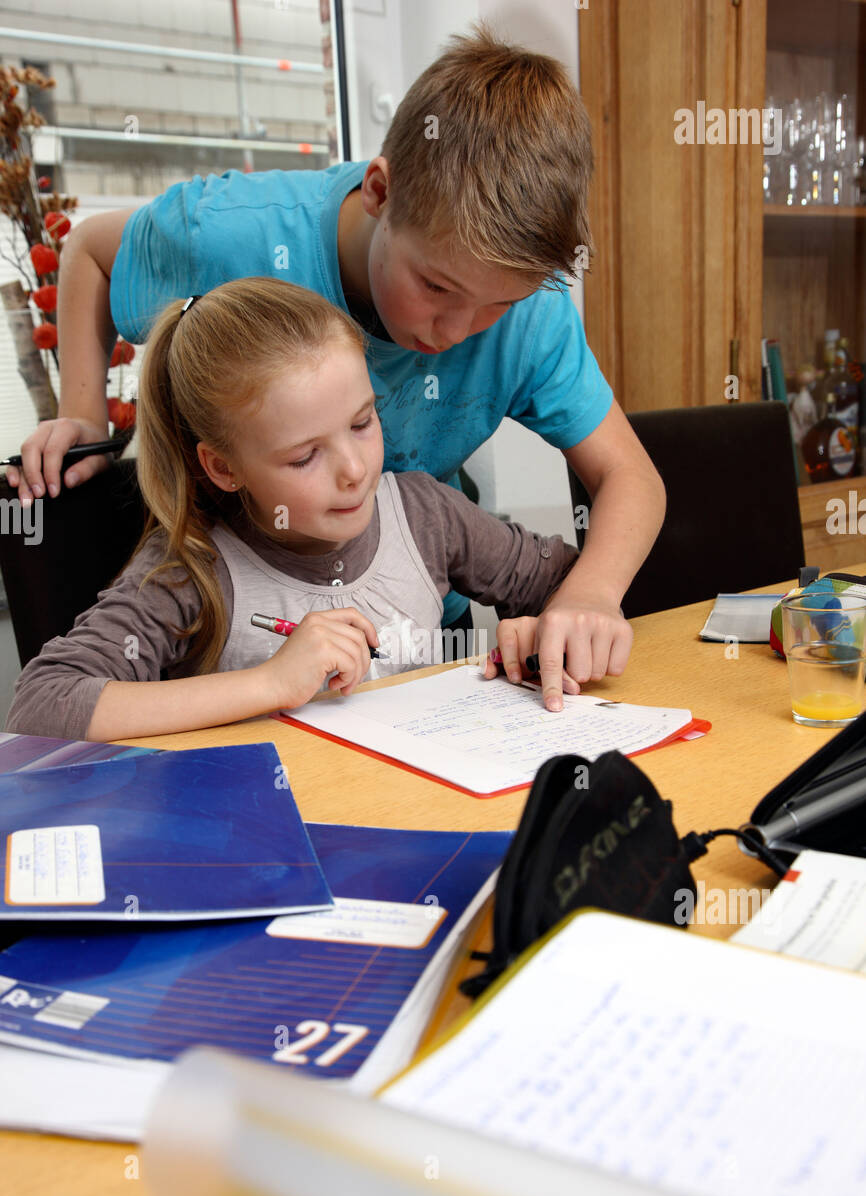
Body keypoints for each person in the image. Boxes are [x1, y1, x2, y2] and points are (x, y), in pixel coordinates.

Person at [7, 24, 665, 702]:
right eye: (437, 288)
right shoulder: (233, 231)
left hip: (411, 623)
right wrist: (81, 412)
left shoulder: (526, 316)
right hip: (244, 629)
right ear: (381, 191)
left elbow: (629, 476)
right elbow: (88, 249)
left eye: (497, 305)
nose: (460, 331)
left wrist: (586, 597)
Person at [4, 278, 600, 742]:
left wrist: (547, 630)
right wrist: (270, 683)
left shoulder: (425, 514)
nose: (355, 469)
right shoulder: (193, 570)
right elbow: (42, 704)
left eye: (363, 423)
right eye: (304, 456)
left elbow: (577, 587)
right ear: (224, 468)